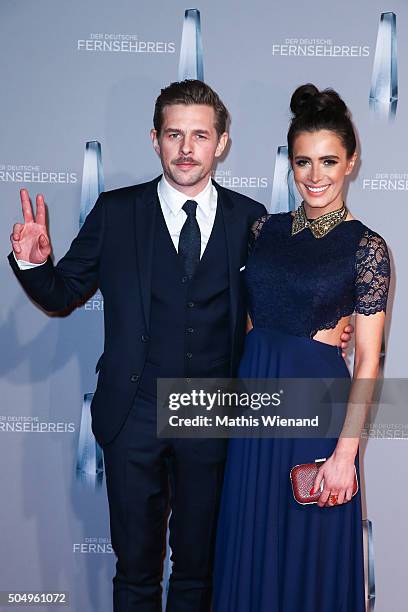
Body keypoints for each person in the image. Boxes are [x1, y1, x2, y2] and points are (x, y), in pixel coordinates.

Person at [8, 80, 352, 612]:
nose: (187, 148)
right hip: (134, 411)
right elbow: (62, 293)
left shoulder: (252, 221)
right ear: (155, 140)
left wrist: (329, 325)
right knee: (135, 571)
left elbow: (286, 294)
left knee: (199, 571)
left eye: (199, 135)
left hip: (215, 417)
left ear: (222, 143)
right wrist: (34, 263)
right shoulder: (116, 212)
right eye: (174, 134)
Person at [213, 84, 390, 612]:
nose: (316, 176)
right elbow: (249, 322)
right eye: (303, 162)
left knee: (305, 561)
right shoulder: (263, 231)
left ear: (351, 161)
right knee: (249, 550)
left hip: (314, 415)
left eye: (329, 161)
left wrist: (345, 454)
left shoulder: (367, 248)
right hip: (252, 414)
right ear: (290, 164)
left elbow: (368, 362)